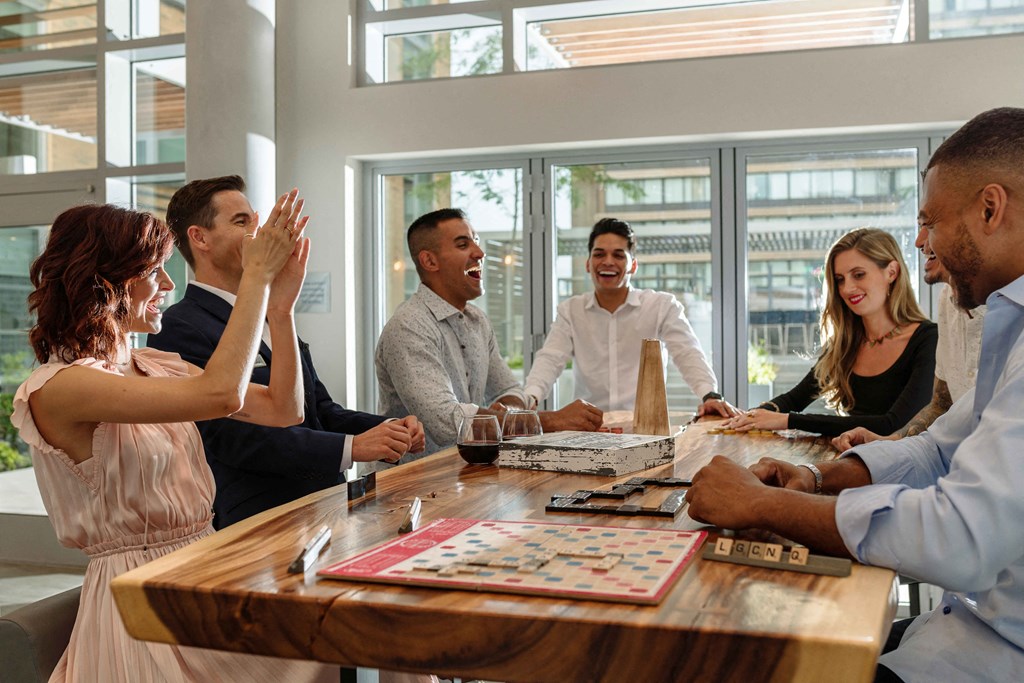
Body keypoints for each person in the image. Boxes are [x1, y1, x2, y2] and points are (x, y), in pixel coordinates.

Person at [686, 107, 1024, 682]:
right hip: (957, 625)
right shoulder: (1008, 332)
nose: (923, 245)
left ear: (990, 208)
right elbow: (935, 450)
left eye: (930, 222)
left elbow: (960, 535)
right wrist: (817, 479)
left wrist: (767, 506)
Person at [12, 200, 335, 681]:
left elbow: (284, 410)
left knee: (362, 650)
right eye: (155, 271)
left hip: (205, 572)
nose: (168, 285)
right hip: (143, 602)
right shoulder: (61, 387)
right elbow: (223, 394)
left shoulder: (160, 366)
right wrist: (255, 281)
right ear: (107, 278)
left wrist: (280, 310)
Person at [149, 176, 423, 528]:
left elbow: (319, 409)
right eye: (241, 222)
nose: (260, 234)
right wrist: (351, 447)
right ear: (199, 237)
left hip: (326, 502)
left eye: (256, 220)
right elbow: (231, 439)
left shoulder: (274, 311)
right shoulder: (180, 326)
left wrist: (387, 429)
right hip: (260, 517)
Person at [376, 208, 604, 456]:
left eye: (477, 241)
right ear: (430, 261)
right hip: (410, 487)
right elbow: (447, 422)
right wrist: (551, 421)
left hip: (464, 476)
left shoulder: (477, 321)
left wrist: (509, 410)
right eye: (463, 244)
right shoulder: (409, 326)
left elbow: (510, 390)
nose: (480, 253)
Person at [722, 228, 937, 437]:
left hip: (904, 468)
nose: (847, 288)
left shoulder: (927, 339)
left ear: (892, 272)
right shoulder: (845, 344)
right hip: (851, 461)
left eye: (859, 275)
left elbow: (893, 425)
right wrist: (752, 416)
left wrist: (789, 420)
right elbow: (794, 399)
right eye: (840, 279)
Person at [523, 217, 738, 418]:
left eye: (618, 255)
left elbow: (687, 353)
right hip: (589, 431)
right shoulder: (570, 311)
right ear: (588, 264)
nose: (608, 262)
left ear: (633, 265)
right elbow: (550, 359)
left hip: (646, 428)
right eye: (599, 254)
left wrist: (709, 395)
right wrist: (529, 397)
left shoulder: (661, 306)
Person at [832, 226, 986, 451]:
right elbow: (941, 406)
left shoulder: (925, 336)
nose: (918, 240)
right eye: (839, 279)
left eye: (931, 224)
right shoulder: (947, 301)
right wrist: (887, 443)